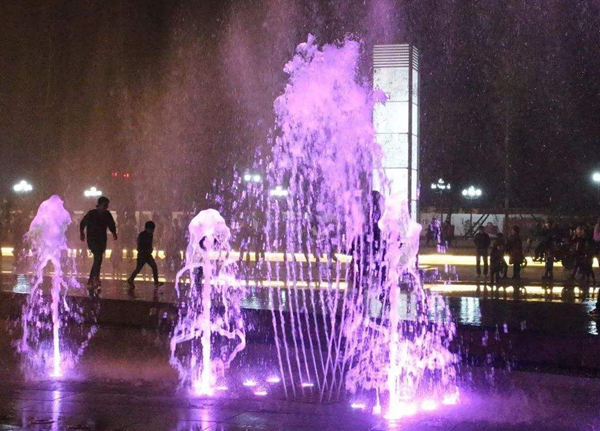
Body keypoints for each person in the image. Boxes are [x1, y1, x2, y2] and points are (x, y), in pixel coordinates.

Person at [80, 196, 117, 288]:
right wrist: (82, 233)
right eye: (105, 205)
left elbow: (111, 224)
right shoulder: (92, 213)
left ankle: (91, 279)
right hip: (92, 239)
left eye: (107, 205)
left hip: (102, 239)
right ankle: (96, 278)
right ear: (99, 205)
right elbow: (83, 223)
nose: (106, 207)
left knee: (98, 259)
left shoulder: (107, 214)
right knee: (98, 257)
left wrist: (114, 233)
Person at [127, 221, 164, 291]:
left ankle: (131, 279)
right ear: (148, 228)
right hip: (143, 254)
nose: (153, 231)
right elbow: (140, 245)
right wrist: (146, 250)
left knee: (152, 267)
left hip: (147, 254)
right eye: (152, 229)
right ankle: (131, 279)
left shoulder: (149, 235)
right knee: (140, 268)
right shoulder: (142, 235)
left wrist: (150, 249)